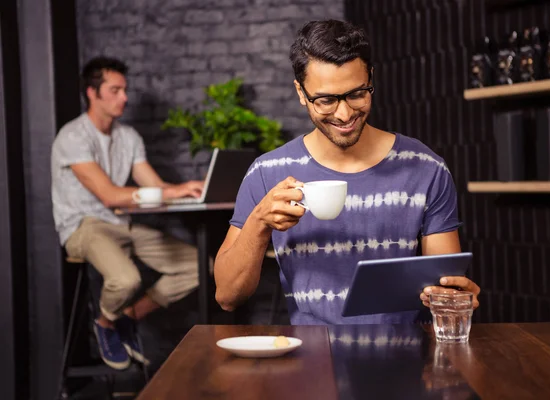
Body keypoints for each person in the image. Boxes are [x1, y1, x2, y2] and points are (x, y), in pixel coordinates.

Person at [213, 20, 481, 325]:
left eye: (356, 94)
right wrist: (259, 222)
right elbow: (227, 296)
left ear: (371, 79)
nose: (344, 114)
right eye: (326, 100)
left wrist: (456, 297)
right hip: (310, 362)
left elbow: (444, 286)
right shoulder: (266, 173)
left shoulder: (425, 168)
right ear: (301, 92)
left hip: (403, 361)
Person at [51, 56, 204, 370]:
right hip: (84, 226)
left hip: (123, 223)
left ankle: (126, 317)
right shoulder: (72, 137)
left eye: (125, 89)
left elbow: (155, 187)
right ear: (92, 94)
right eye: (115, 90)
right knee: (125, 280)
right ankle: (105, 322)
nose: (125, 97)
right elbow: (108, 196)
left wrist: (189, 191)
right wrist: (168, 192)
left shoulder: (129, 137)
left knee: (202, 266)